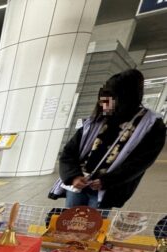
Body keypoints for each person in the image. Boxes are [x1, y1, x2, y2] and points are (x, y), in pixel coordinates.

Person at [51, 69, 166, 209]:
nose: (105, 102)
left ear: (126, 97)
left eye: (112, 96)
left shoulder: (151, 124)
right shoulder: (98, 118)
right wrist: (73, 176)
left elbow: (140, 162)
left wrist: (107, 181)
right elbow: (69, 152)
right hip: (79, 184)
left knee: (95, 226)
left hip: (107, 189)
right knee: (70, 223)